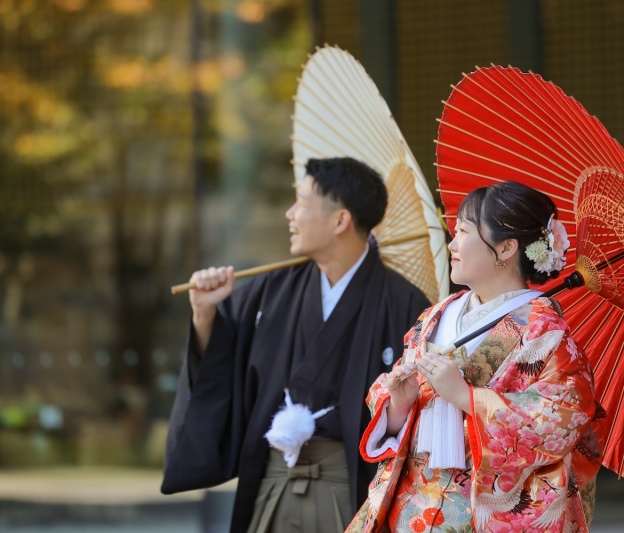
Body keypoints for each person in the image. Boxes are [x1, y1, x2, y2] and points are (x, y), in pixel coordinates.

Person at [162, 157, 431, 533]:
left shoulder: (404, 304)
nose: (290, 214)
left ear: (340, 220)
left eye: (302, 202)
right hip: (274, 481)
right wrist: (205, 313)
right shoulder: (269, 293)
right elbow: (220, 372)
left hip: (353, 490)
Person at [347, 181, 605, 533]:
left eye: (464, 232)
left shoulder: (544, 332)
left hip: (482, 514)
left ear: (506, 248)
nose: (452, 244)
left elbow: (561, 419)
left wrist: (466, 396)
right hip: (411, 510)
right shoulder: (436, 315)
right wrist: (399, 405)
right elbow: (394, 408)